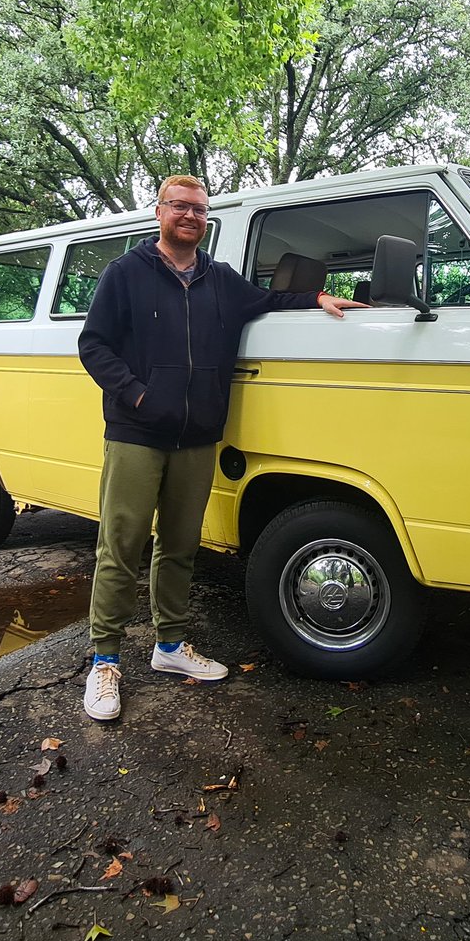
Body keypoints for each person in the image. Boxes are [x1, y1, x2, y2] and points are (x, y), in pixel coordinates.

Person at [78, 174, 364, 720]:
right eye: (180, 207)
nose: (190, 216)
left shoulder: (221, 280)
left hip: (197, 437)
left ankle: (169, 648)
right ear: (159, 211)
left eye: (199, 210)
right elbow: (93, 344)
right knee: (122, 545)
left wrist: (319, 296)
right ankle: (105, 662)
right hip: (137, 433)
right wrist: (137, 395)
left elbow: (274, 296)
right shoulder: (126, 274)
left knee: (181, 544)